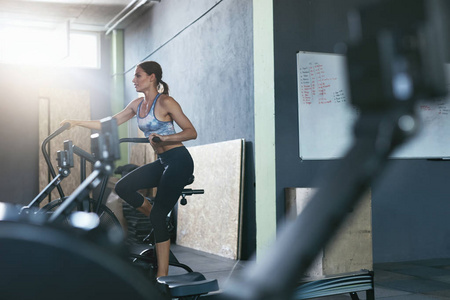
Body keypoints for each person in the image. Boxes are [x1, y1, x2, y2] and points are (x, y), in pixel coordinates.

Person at [61, 61, 197, 278]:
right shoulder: (137, 105)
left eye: (138, 76)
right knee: (124, 187)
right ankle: (158, 217)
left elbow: (191, 132)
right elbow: (111, 122)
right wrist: (76, 122)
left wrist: (165, 138)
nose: (134, 80)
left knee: (158, 217)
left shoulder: (166, 102)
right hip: (163, 162)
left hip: (179, 161)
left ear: (152, 78)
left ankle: (162, 277)